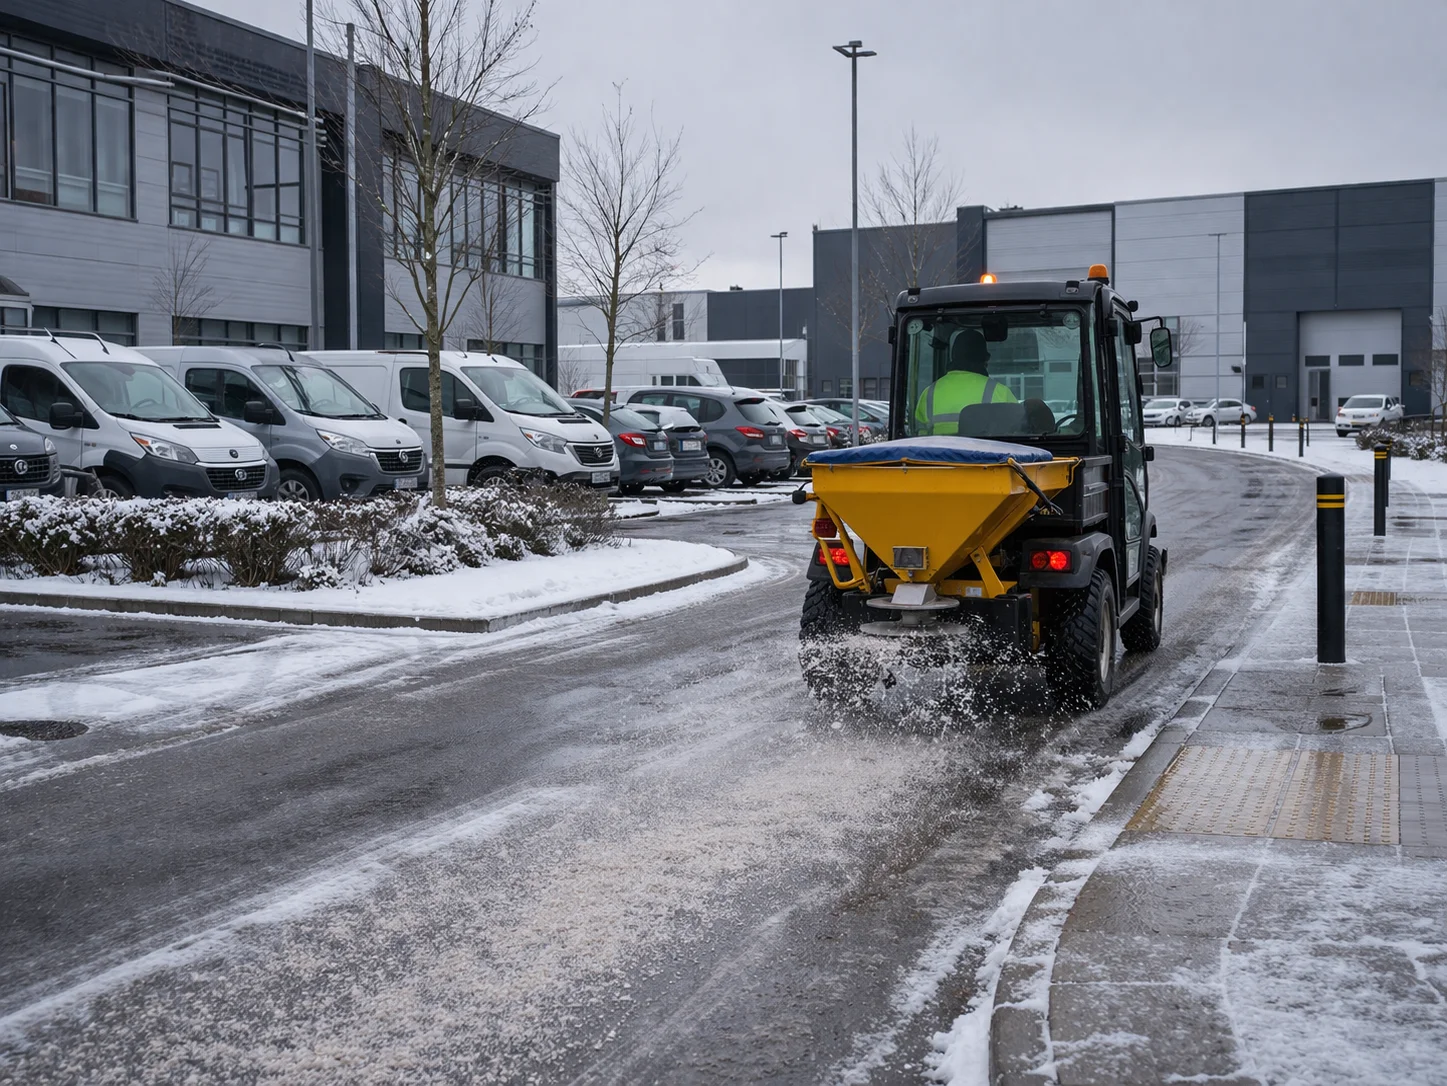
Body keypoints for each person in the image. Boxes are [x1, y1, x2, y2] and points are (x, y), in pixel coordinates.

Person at [913, 328, 1017, 435]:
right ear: (985, 360)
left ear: (953, 357)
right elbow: (1018, 432)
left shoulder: (929, 393)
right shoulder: (1001, 392)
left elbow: (920, 439)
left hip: (941, 451)